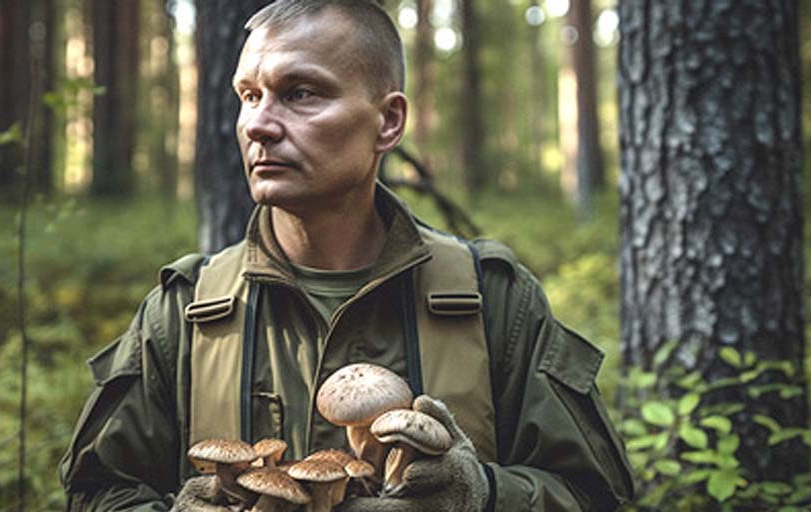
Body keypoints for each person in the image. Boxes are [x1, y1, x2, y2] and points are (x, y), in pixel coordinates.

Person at [60, 1, 635, 510]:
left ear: (388, 122)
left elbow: (591, 493)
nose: (257, 124)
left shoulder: (493, 300)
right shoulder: (185, 312)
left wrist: (482, 495)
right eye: (249, 96)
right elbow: (97, 490)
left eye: (300, 93)